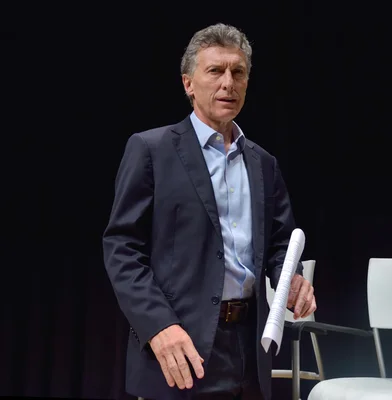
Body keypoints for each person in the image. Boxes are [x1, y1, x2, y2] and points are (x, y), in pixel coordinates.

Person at [102, 23, 317, 400]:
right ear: (188, 83)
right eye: (215, 70)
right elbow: (122, 249)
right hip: (179, 344)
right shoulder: (151, 150)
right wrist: (158, 327)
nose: (228, 83)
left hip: (249, 349)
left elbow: (281, 243)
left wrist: (293, 277)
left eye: (238, 72)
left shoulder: (264, 163)